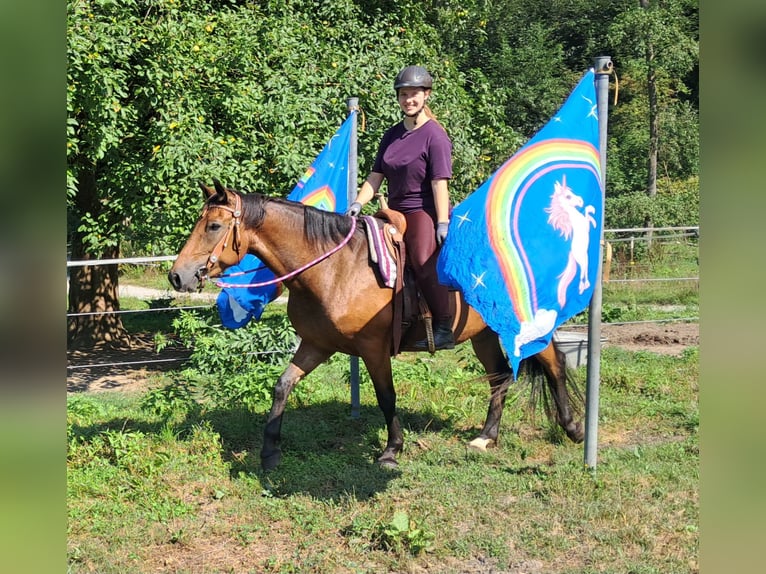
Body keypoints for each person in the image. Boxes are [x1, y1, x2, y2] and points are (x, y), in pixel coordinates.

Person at [346, 65, 455, 350]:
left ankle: (444, 327)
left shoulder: (435, 135)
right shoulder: (391, 135)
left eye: (414, 94)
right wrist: (358, 203)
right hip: (392, 211)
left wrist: (441, 222)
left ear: (426, 95)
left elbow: (439, 182)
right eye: (404, 95)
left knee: (421, 260)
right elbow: (376, 176)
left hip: (422, 210)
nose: (409, 100)